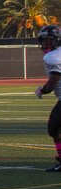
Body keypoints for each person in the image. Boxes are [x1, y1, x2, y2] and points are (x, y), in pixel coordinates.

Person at [34, 24, 61, 172]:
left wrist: (42, 90)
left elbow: (53, 82)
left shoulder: (53, 58)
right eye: (43, 41)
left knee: (54, 128)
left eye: (49, 40)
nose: (45, 43)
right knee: (55, 128)